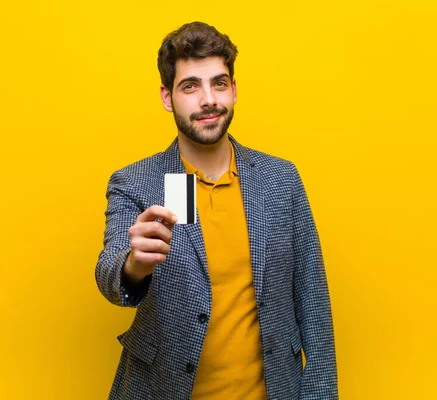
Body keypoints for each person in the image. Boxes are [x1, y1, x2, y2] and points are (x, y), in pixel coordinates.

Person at [96, 21, 338, 399]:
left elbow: (311, 294)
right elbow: (110, 273)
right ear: (166, 97)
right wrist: (134, 265)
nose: (208, 99)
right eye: (190, 86)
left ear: (234, 90)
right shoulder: (136, 182)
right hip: (165, 389)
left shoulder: (281, 179)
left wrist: (322, 393)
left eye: (219, 83)